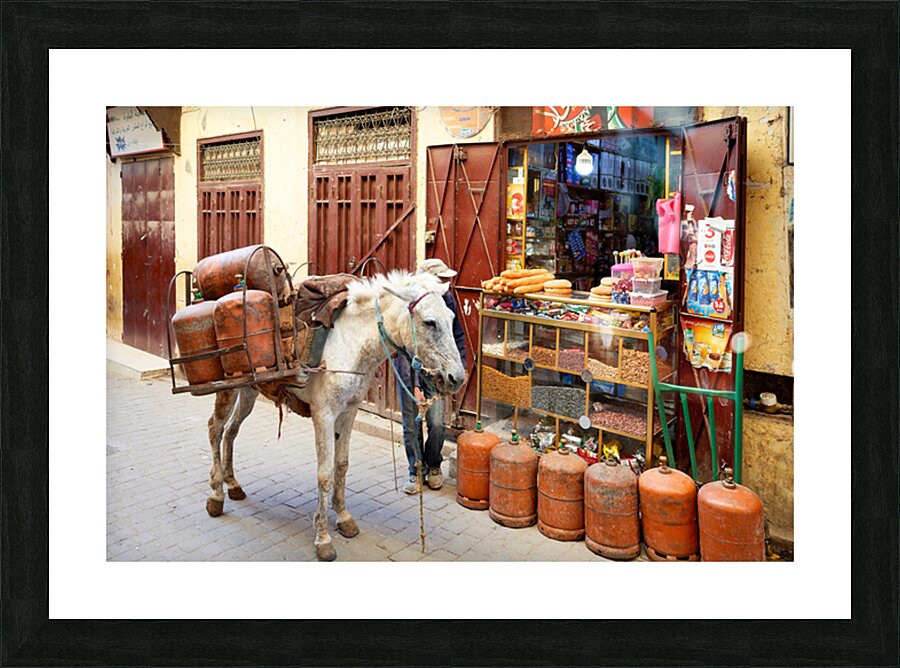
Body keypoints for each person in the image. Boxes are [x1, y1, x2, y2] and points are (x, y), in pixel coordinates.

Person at [395, 258, 467, 494]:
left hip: (435, 373)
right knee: (411, 425)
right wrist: (414, 386)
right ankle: (415, 470)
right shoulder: (410, 304)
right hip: (411, 370)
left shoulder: (447, 301)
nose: (446, 283)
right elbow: (405, 349)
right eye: (442, 279)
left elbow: (456, 336)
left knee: (437, 423)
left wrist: (459, 365)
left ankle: (433, 464)